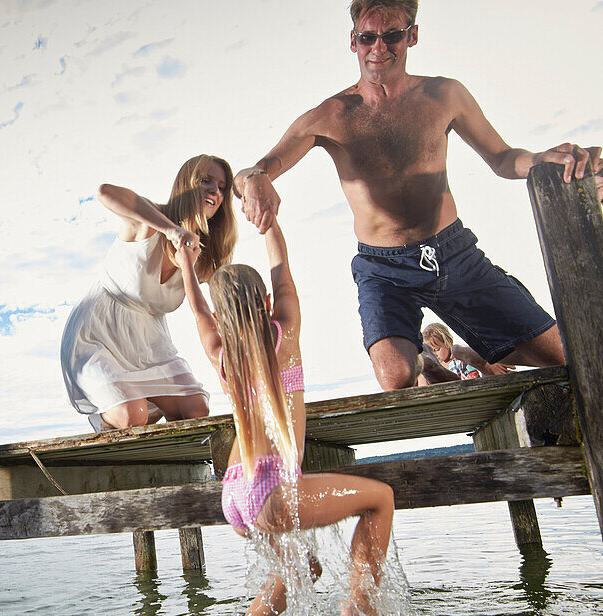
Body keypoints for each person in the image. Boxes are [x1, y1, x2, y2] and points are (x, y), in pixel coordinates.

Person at [235, 0, 602, 392]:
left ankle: (478, 347)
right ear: (353, 42)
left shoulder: (444, 95)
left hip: (454, 254)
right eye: (367, 37)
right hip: (383, 268)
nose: (379, 47)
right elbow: (252, 172)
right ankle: (424, 356)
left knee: (566, 353)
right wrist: (256, 180)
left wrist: (543, 160)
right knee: (396, 379)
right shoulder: (331, 115)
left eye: (391, 35)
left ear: (411, 35)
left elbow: (502, 158)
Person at [175, 221, 394, 616]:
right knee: (381, 499)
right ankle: (361, 601)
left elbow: (198, 312)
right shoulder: (285, 337)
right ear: (267, 304)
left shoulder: (221, 357)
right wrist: (269, 224)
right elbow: (282, 269)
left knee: (304, 569)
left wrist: (185, 262)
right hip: (273, 488)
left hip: (235, 495)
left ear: (222, 318)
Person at [60, 154, 237, 430]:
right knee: (133, 416)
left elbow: (214, 313)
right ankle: (119, 409)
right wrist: (171, 230)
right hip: (98, 333)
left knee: (196, 409)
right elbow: (104, 192)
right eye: (206, 181)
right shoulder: (148, 220)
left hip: (149, 343)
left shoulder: (203, 255)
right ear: (187, 184)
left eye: (222, 187)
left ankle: (143, 403)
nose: (215, 190)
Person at [421, 322, 512, 381]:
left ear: (447, 343)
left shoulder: (458, 362)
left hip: (470, 384)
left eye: (437, 350)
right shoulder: (432, 368)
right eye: (432, 352)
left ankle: (486, 360)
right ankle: (485, 359)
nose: (435, 354)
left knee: (457, 350)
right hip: (453, 390)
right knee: (424, 372)